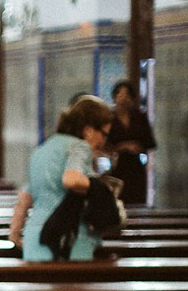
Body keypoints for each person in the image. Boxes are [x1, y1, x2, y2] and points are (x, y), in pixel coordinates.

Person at [9, 95, 115, 262]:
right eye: (103, 134)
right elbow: (71, 179)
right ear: (88, 130)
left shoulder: (42, 149)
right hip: (69, 241)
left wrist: (15, 232)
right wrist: (101, 189)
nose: (103, 141)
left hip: (34, 238)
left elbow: (25, 197)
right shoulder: (80, 147)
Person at [106, 79, 157, 206]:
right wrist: (122, 147)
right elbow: (104, 144)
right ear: (114, 97)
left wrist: (138, 147)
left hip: (136, 166)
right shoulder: (109, 118)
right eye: (119, 94)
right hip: (117, 165)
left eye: (126, 95)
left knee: (137, 198)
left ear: (131, 98)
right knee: (119, 198)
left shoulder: (139, 117)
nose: (123, 98)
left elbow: (150, 142)